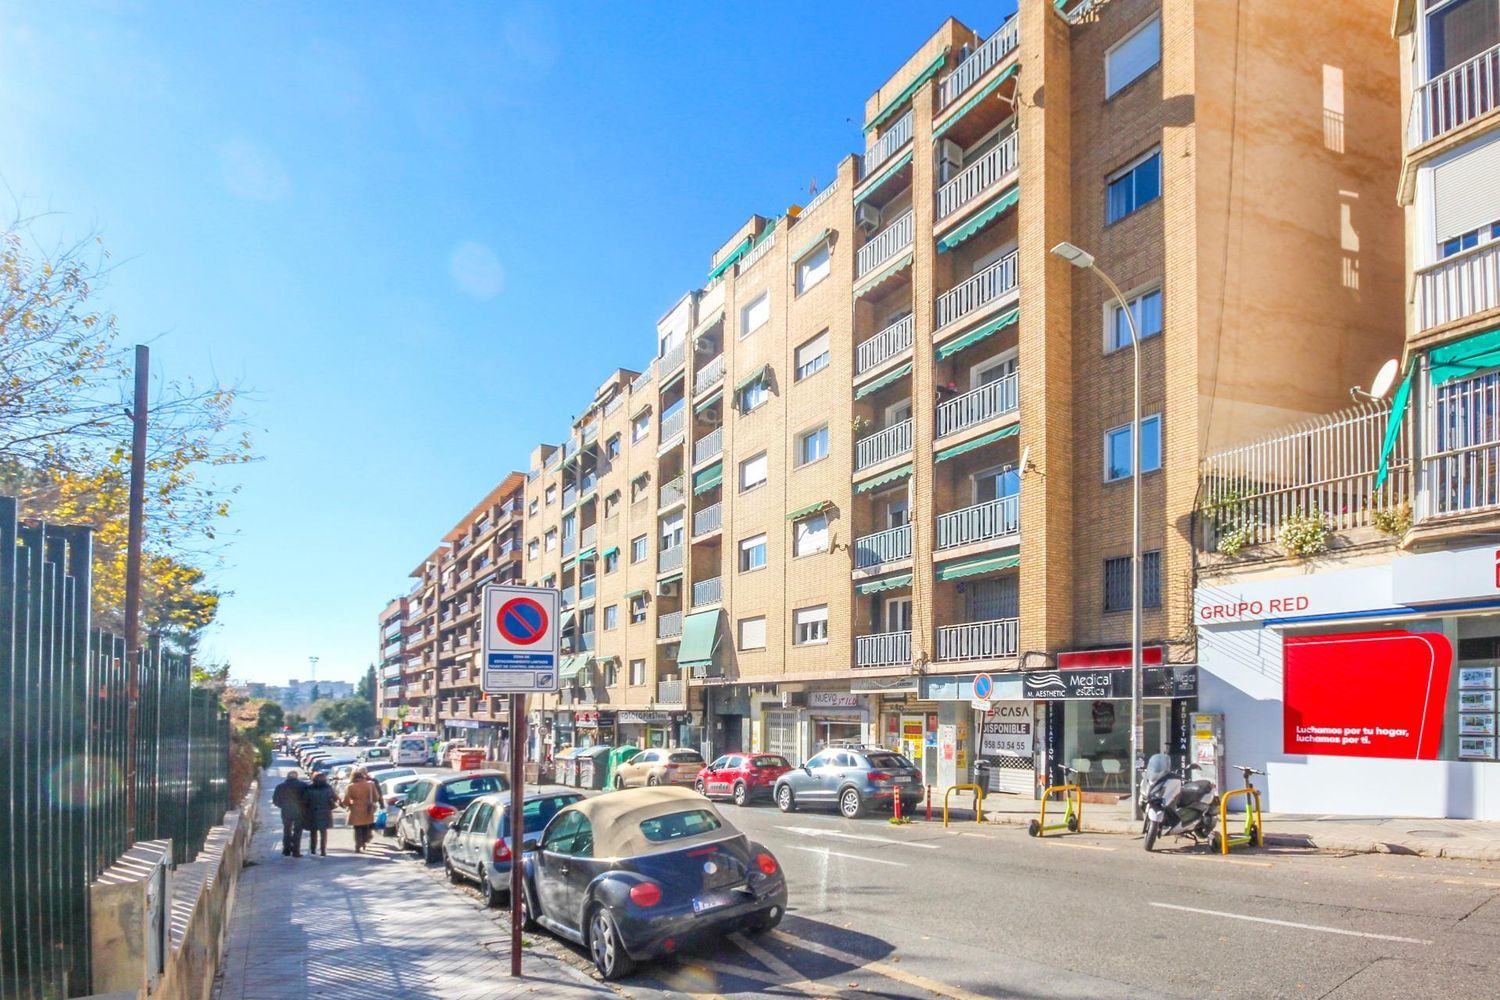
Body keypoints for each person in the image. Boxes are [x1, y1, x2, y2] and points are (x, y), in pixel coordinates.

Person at [341, 768, 384, 853]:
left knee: (357, 828)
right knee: (365, 826)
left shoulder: (350, 787)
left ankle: (358, 844)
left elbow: (346, 800)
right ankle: (364, 841)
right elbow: (376, 797)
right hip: (368, 809)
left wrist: (347, 804)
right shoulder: (370, 785)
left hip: (355, 809)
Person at [271, 769, 308, 857]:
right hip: (299, 812)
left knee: (287, 830)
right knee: (297, 832)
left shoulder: (280, 787)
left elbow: (275, 800)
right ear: (297, 777)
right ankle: (296, 851)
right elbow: (307, 799)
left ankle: (286, 850)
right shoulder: (303, 786)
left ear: (287, 777)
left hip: (286, 811)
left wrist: (282, 806)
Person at [303, 771, 338, 856]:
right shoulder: (328, 788)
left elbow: (305, 801)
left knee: (313, 832)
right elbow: (335, 798)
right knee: (323, 832)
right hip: (325, 812)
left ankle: (313, 850)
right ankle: (323, 850)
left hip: (312, 812)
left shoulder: (309, 788)